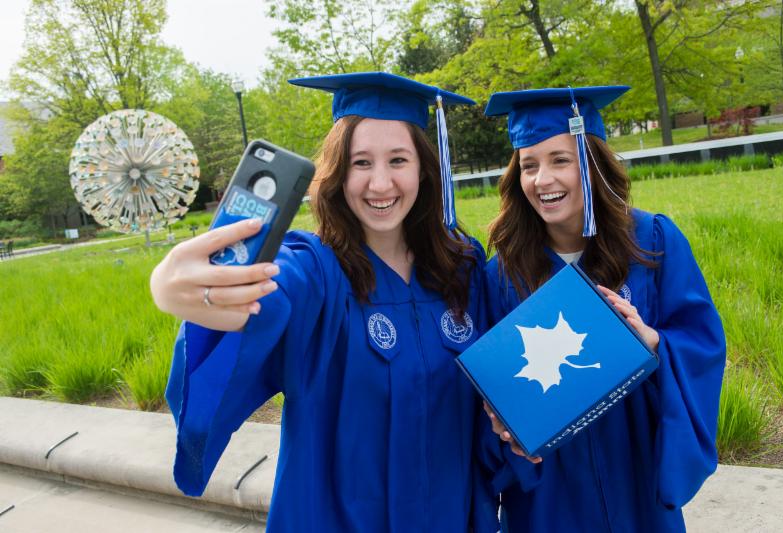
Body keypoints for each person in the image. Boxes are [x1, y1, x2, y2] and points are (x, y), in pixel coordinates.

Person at [150, 72, 494, 532]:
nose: (380, 183)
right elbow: (271, 295)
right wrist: (184, 289)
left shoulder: (463, 268)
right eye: (360, 163)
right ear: (337, 174)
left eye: (398, 160)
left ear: (424, 170)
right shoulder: (316, 271)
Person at [477, 86, 726, 532]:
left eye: (560, 160)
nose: (542, 180)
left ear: (592, 162)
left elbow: (702, 342)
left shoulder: (651, 241)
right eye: (529, 165)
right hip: (550, 495)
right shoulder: (502, 274)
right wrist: (501, 423)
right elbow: (488, 386)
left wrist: (655, 343)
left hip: (635, 472)